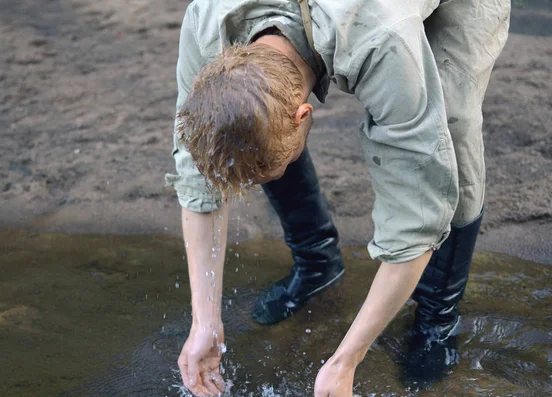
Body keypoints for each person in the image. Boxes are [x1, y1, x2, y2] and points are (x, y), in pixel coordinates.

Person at [165, 0, 510, 395]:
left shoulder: (383, 42)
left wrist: (347, 359)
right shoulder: (207, 21)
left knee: (450, 132)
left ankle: (437, 316)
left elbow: (417, 215)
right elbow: (196, 179)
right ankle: (318, 263)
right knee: (251, 130)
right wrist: (204, 323)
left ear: (304, 114)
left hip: (427, 8)